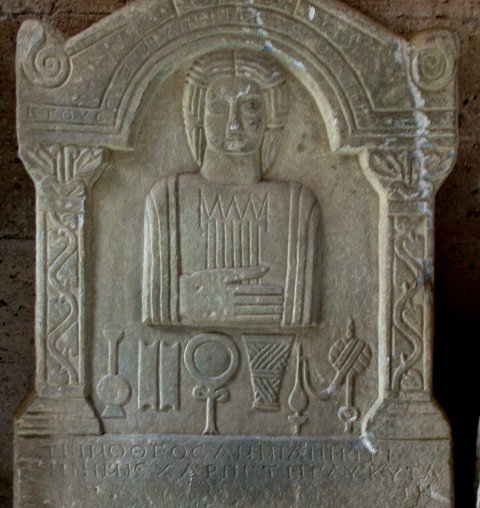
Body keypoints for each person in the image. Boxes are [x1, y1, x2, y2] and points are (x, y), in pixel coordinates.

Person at [143, 50, 320, 328]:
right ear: (197, 116)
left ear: (271, 116)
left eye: (250, 106)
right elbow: (154, 315)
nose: (234, 124)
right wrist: (184, 301)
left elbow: (302, 320)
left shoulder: (298, 206)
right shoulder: (168, 199)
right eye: (218, 108)